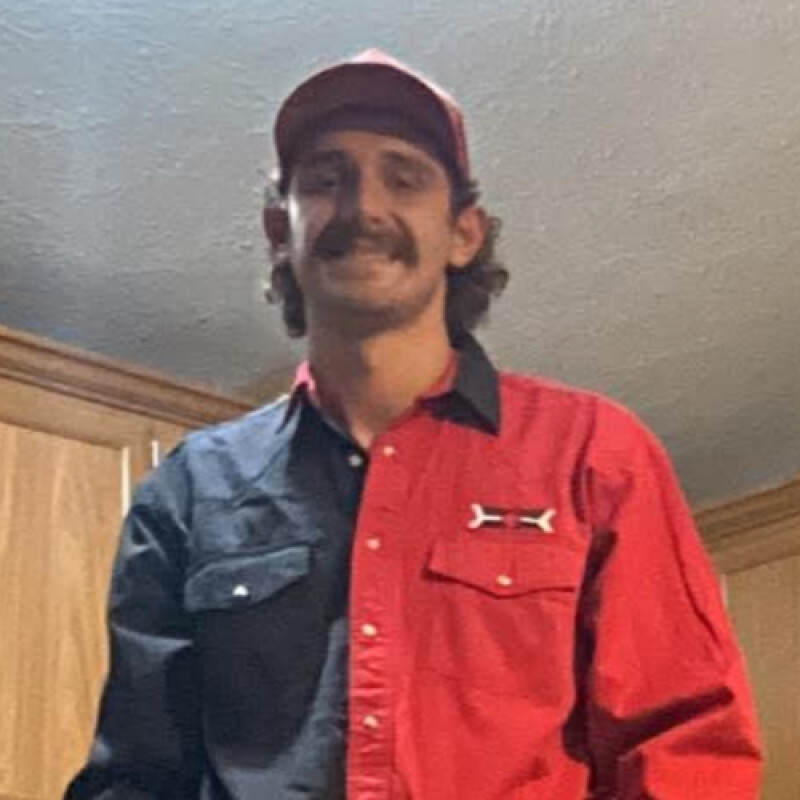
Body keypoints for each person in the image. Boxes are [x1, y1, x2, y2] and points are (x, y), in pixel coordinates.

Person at [65, 49, 763, 800]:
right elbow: (136, 776)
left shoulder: (595, 454)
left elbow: (687, 745)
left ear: (464, 233)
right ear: (279, 230)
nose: (364, 208)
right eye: (326, 179)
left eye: (404, 178)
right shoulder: (189, 490)